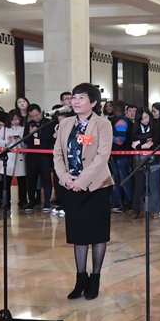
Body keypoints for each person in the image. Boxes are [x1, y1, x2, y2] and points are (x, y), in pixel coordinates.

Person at [53, 83, 113, 300]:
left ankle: (95, 278)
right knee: (78, 235)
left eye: (81, 98)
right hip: (71, 186)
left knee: (97, 234)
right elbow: (58, 155)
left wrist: (83, 180)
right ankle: (80, 278)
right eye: (74, 98)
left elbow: (102, 156)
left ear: (94, 102)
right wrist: (65, 178)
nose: (76, 102)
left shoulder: (103, 124)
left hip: (96, 186)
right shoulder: (65, 123)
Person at [129, 107, 160, 219]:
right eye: (141, 119)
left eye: (146, 117)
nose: (144, 120)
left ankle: (155, 210)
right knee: (138, 186)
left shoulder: (156, 126)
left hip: (154, 159)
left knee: (154, 186)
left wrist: (140, 142)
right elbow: (133, 142)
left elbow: (156, 140)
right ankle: (136, 210)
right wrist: (143, 144)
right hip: (138, 159)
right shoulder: (135, 127)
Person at [23, 104, 55, 212]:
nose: (35, 118)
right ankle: (31, 201)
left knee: (46, 178)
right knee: (31, 179)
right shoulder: (29, 125)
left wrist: (38, 135)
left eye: (37, 115)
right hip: (32, 155)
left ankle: (47, 201)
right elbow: (25, 141)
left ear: (41, 112)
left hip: (45, 155)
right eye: (32, 116)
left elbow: (51, 139)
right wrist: (31, 134)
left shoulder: (49, 123)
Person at [0, 110, 27, 209]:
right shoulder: (4, 129)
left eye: (17, 119)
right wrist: (7, 141)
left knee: (22, 181)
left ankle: (22, 201)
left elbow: (26, 143)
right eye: (13, 119)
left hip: (19, 157)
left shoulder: (24, 128)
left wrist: (20, 142)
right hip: (8, 157)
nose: (15, 121)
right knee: (6, 182)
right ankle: (6, 202)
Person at [110, 100, 133, 213]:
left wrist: (109, 137)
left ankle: (127, 203)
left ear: (115, 109)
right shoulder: (122, 120)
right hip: (119, 155)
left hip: (122, 155)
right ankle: (118, 202)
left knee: (124, 179)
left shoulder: (121, 122)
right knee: (119, 179)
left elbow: (119, 140)